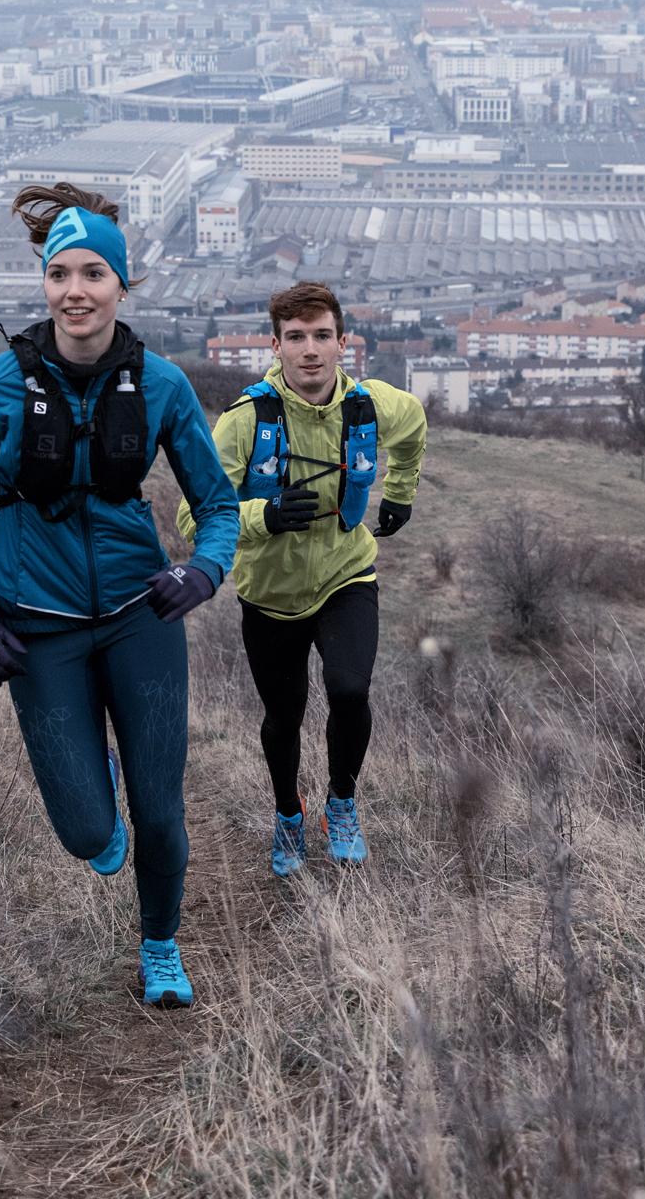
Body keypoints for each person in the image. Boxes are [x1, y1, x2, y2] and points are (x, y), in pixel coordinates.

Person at [0, 183, 240, 1007]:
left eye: (93, 273)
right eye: (60, 273)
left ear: (121, 286)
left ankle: (161, 949)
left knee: (162, 812)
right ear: (45, 285)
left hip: (142, 616)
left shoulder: (163, 383)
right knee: (92, 835)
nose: (75, 290)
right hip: (36, 628)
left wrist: (201, 571)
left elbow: (217, 507)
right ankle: (90, 780)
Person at [177, 282, 427, 876]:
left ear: (344, 344)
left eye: (321, 336)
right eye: (296, 338)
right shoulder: (245, 423)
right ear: (276, 345)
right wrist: (261, 516)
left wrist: (400, 494)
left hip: (346, 575)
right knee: (283, 714)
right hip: (270, 595)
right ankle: (289, 814)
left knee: (349, 690)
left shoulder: (374, 405)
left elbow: (414, 428)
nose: (309, 350)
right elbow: (194, 516)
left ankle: (341, 803)